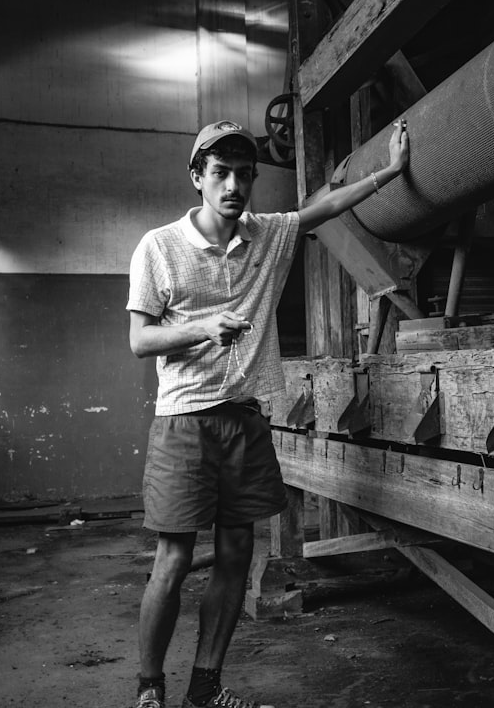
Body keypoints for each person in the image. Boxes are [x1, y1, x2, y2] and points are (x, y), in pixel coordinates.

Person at [126, 117, 410, 708]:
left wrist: (389, 172)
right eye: (221, 173)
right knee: (175, 558)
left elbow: (325, 208)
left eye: (244, 176)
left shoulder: (269, 234)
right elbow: (139, 340)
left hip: (246, 419)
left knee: (237, 553)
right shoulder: (159, 246)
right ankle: (150, 687)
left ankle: (205, 688)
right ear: (197, 178)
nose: (233, 186)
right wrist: (204, 327)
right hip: (184, 419)